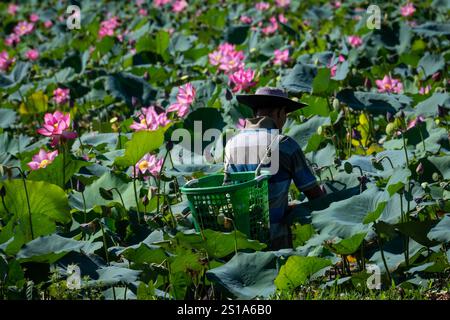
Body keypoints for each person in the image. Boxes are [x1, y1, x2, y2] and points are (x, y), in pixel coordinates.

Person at [224, 87, 326, 249]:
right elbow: (314, 194)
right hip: (276, 239)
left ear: (255, 112)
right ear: (279, 113)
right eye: (285, 115)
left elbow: (234, 189)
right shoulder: (285, 144)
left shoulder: (231, 143)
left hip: (241, 239)